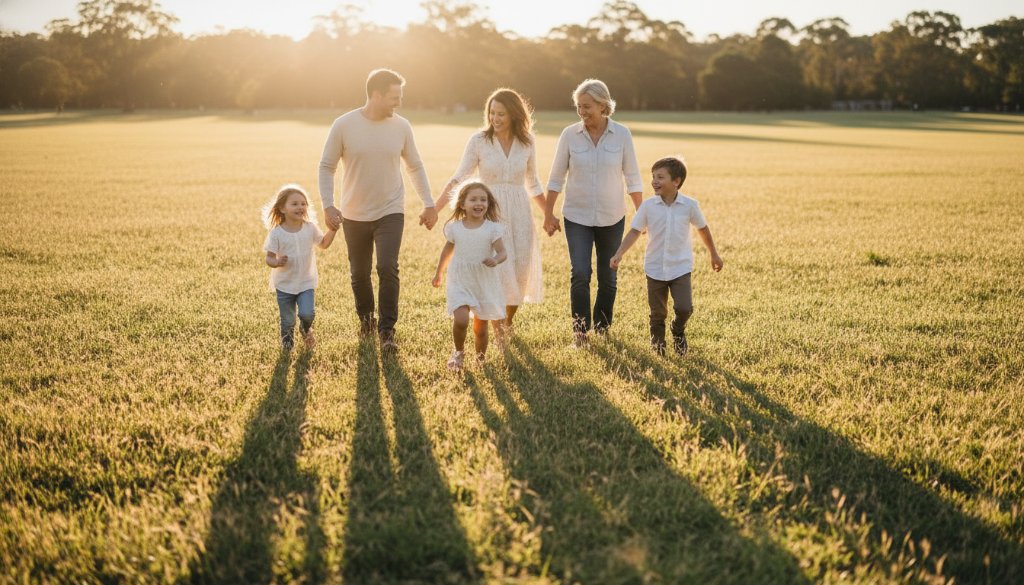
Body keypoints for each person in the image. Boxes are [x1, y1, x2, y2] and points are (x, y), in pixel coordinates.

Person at [318, 68, 437, 352]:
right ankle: (366, 321)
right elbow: (326, 166)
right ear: (376, 95)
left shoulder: (402, 126)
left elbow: (415, 166)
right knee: (359, 273)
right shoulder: (344, 125)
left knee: (387, 266)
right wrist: (328, 204)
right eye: (394, 97)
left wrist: (429, 203)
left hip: (390, 210)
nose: (399, 102)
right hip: (353, 213)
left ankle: (387, 331)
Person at [434, 88, 545, 335]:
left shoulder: (527, 142)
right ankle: (497, 327)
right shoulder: (479, 141)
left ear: (514, 115)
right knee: (498, 272)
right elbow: (459, 178)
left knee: (520, 272)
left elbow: (534, 182)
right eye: (492, 113)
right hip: (490, 213)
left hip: (520, 214)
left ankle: (506, 323)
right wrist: (435, 208)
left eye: (501, 114)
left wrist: (549, 214)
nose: (495, 118)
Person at [543, 79, 643, 345]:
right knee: (580, 273)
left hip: (612, 217)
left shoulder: (622, 135)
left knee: (608, 276)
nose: (582, 112)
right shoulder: (569, 135)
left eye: (587, 106)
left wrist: (643, 215)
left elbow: (633, 178)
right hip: (577, 216)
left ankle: (602, 328)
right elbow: (555, 178)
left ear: (603, 105)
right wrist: (548, 214)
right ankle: (580, 333)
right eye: (578, 107)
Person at [610, 157, 723, 355]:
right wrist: (619, 253)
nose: (654, 181)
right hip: (654, 268)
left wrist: (714, 254)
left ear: (676, 181)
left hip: (680, 267)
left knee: (684, 308)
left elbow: (703, 229)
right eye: (653, 177)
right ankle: (658, 349)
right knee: (657, 313)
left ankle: (678, 331)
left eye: (660, 177)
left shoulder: (689, 205)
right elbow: (635, 231)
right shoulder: (648, 206)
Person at [432, 182, 508, 370]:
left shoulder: (492, 229)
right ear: (462, 204)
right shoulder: (455, 228)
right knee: (461, 319)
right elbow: (447, 252)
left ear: (488, 204)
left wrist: (496, 259)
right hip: (460, 280)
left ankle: (480, 359)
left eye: (483, 199)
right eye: (473, 199)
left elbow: (503, 252)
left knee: (481, 329)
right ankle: (458, 353)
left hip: (483, 281)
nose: (478, 203)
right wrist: (439, 273)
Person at [262, 184, 338, 350]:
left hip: (306, 282)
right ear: (282, 208)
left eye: (303, 203)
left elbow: (323, 244)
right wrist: (276, 262)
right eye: (295, 204)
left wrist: (332, 230)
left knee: (307, 313)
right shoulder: (277, 233)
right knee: (288, 320)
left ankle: (305, 328)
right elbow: (269, 258)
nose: (300, 207)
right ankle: (287, 345)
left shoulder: (309, 228)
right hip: (284, 284)